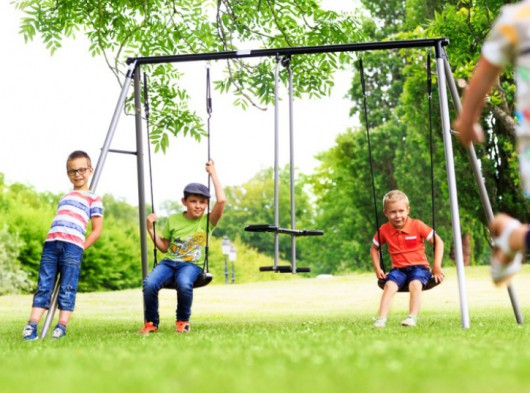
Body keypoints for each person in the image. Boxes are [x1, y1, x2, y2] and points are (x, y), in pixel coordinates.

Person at [452, 0, 530, 284]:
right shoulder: (518, 18)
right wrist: (467, 120)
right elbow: (484, 75)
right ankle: (514, 237)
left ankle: (513, 236)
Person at [22, 150, 104, 340]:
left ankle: (61, 326)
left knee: (67, 287)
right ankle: (31, 325)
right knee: (44, 285)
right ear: (68, 174)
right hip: (51, 244)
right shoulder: (65, 196)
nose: (77, 174)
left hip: (73, 247)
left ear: (90, 170)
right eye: (72, 171)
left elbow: (97, 230)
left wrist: (80, 248)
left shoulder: (93, 198)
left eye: (81, 170)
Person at [139, 159, 225, 334]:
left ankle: (182, 321)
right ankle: (151, 324)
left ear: (207, 204)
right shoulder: (174, 220)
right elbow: (164, 247)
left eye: (203, 202)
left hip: (191, 265)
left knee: (184, 283)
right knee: (149, 284)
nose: (198, 206)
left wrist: (213, 173)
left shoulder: (208, 221)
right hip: (169, 263)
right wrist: (149, 229)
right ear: (184, 201)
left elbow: (221, 200)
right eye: (194, 201)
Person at [371, 190, 444, 328]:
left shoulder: (417, 225)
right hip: (398, 270)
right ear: (386, 213)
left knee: (415, 284)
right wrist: (377, 267)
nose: (397, 216)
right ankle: (381, 319)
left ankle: (412, 318)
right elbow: (374, 248)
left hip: (419, 268)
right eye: (392, 212)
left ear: (408, 210)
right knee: (389, 285)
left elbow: (439, 242)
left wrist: (437, 266)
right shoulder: (384, 230)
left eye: (401, 211)